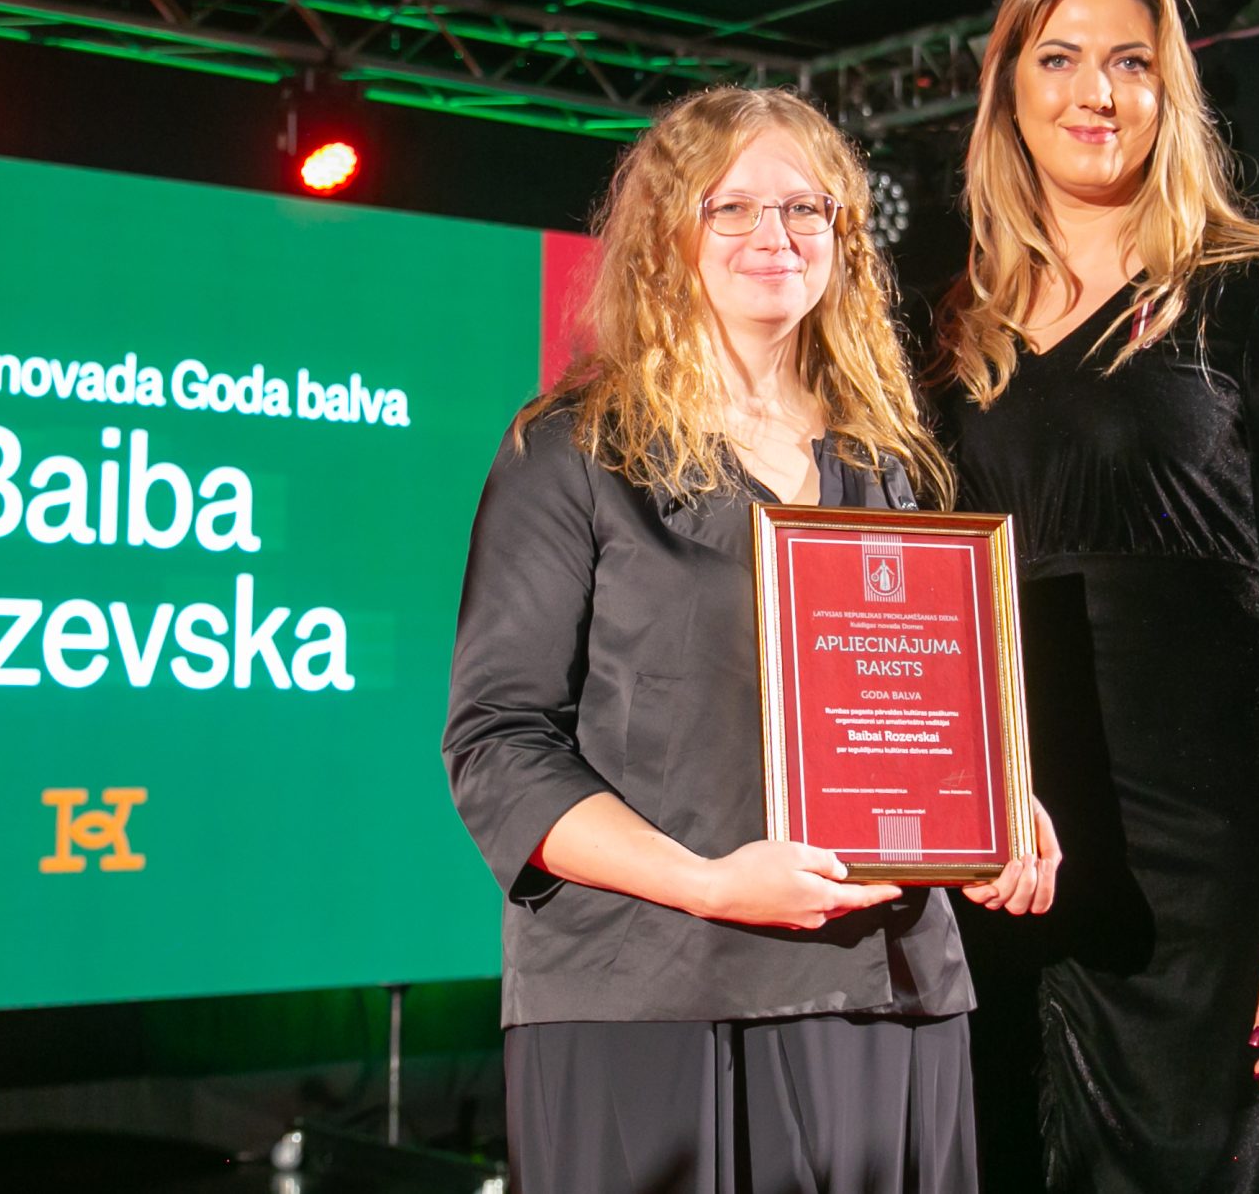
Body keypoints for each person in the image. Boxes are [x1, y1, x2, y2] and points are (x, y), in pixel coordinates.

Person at [444, 86, 1060, 1194]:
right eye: (731, 207)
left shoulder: (888, 466)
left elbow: (921, 708)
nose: (774, 235)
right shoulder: (574, 452)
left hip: (886, 991)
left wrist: (995, 804)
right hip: (652, 1001)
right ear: (665, 235)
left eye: (805, 208)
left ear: (843, 237)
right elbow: (496, 744)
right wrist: (708, 883)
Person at [935, 0, 1259, 1192]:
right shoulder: (953, 324)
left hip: (1207, 883)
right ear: (1008, 88)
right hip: (1006, 864)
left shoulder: (1257, 290)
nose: (1096, 93)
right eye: (1060, 59)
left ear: (1170, 90)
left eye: (1130, 63)